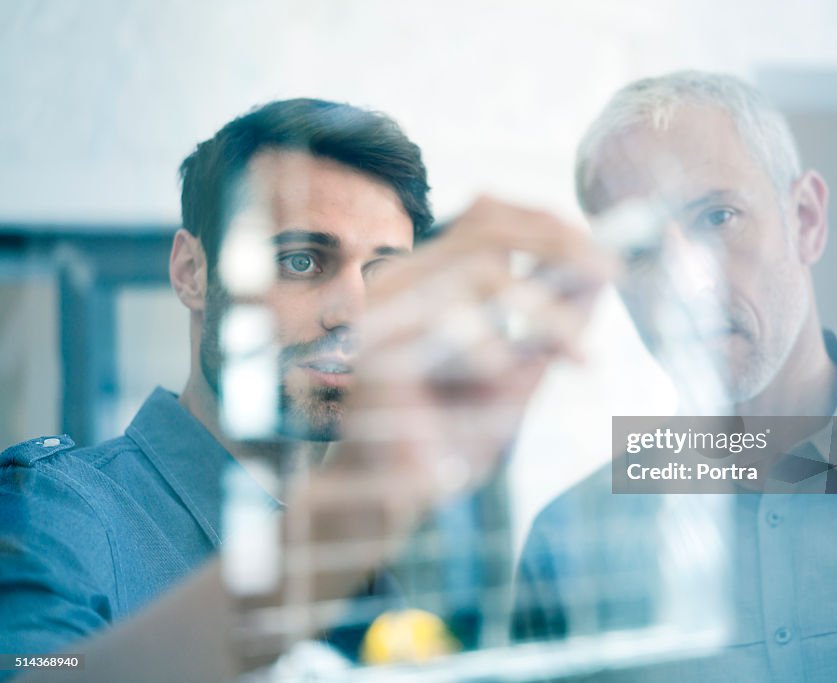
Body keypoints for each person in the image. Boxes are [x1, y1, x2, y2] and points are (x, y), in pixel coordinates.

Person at [0, 98, 610, 681]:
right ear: (191, 271)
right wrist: (347, 517)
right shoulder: (54, 514)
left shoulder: (387, 560)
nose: (353, 311)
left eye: (384, 272)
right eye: (300, 261)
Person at [513, 71, 837, 681]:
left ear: (804, 219)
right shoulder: (568, 542)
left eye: (717, 216)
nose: (683, 284)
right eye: (638, 248)